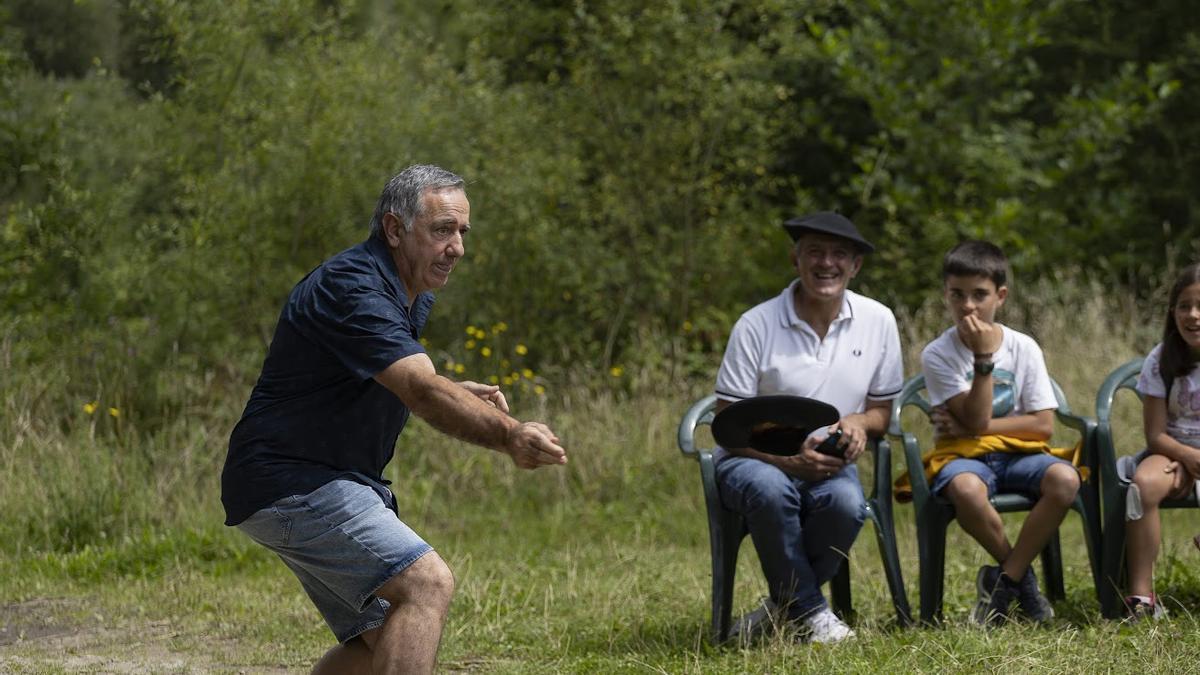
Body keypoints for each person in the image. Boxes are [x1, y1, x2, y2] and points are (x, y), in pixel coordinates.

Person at [220, 164, 567, 674]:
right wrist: (509, 434)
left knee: (377, 642)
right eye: (442, 230)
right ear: (394, 229)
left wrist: (453, 393)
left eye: (462, 233)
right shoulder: (353, 287)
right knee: (426, 583)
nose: (458, 248)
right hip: (294, 479)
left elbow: (382, 378)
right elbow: (420, 388)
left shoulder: (410, 292)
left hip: (312, 479)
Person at [713, 212, 903, 644]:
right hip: (751, 459)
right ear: (795, 259)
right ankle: (814, 614)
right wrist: (786, 460)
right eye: (815, 251)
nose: (827, 263)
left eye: (840, 254)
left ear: (855, 267)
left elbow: (882, 412)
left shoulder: (879, 320)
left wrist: (857, 422)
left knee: (846, 504)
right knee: (769, 488)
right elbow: (727, 424)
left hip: (828, 464)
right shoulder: (756, 324)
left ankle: (780, 609)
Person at [915, 240, 1080, 626]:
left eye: (979, 295)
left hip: (1022, 455)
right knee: (966, 490)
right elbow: (973, 420)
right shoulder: (937, 353)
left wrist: (978, 427)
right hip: (962, 457)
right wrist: (983, 360)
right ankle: (1021, 581)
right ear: (946, 295)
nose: (968, 306)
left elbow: (1042, 425)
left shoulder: (1023, 347)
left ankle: (1004, 579)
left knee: (1065, 479)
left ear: (1000, 296)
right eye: (957, 295)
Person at [1121, 262, 1200, 621]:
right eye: (1184, 306)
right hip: (1172, 449)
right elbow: (1155, 434)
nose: (1193, 315)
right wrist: (1186, 457)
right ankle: (1141, 598)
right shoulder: (1161, 359)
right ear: (1173, 312)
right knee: (1142, 486)